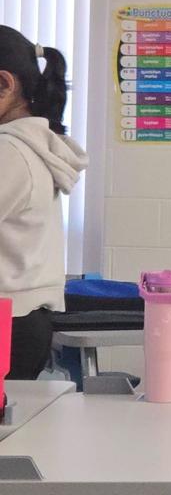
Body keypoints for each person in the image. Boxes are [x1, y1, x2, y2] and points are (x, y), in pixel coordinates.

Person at [0, 26, 88, 379]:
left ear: (6, 84)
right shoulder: (31, 145)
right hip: (22, 320)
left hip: (10, 321)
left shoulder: (11, 153)